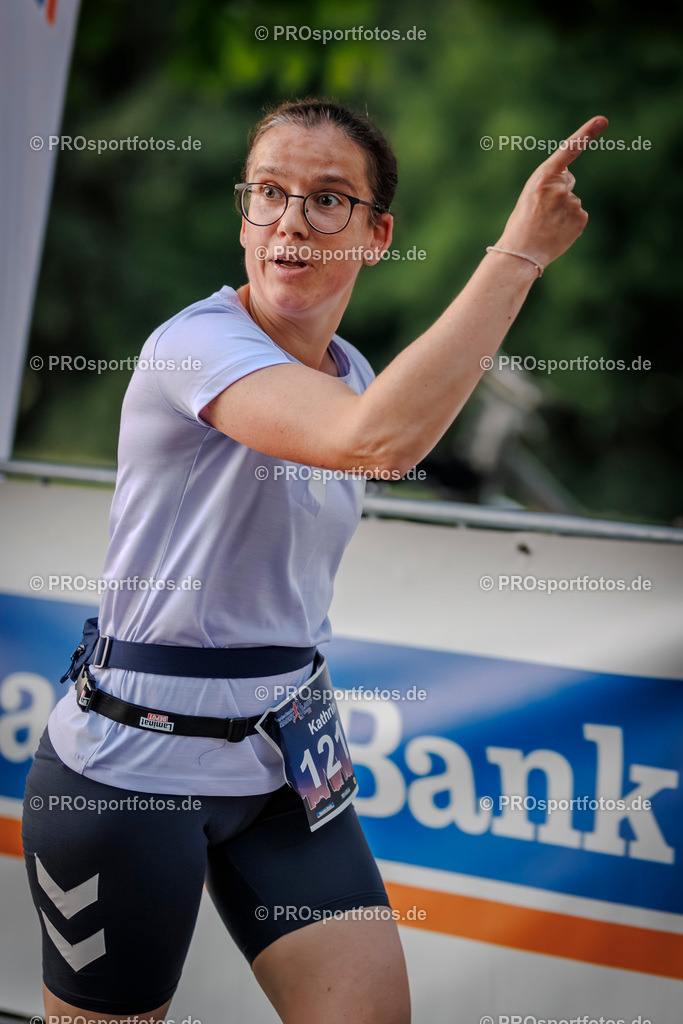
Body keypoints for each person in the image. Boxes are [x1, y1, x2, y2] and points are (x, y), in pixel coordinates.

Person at [21, 98, 607, 1024]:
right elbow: (373, 442)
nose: (292, 219)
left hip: (285, 768)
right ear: (245, 217)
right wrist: (517, 254)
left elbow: (384, 426)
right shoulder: (196, 345)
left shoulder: (355, 370)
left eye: (329, 199)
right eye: (270, 194)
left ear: (377, 237)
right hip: (136, 772)